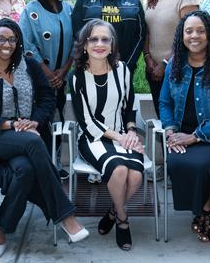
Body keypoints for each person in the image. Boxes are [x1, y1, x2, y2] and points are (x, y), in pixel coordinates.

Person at [0, 19, 88, 257]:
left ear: (18, 42)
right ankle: (65, 215)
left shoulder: (30, 66)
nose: (6, 44)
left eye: (12, 39)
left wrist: (35, 121)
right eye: (0, 38)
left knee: (25, 171)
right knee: (33, 141)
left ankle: (1, 227)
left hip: (29, 136)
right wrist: (12, 124)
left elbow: (46, 100)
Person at [159, 10, 210, 243]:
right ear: (181, 36)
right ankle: (208, 202)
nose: (195, 36)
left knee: (202, 163)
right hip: (181, 132)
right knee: (176, 161)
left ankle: (207, 207)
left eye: (201, 31)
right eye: (189, 31)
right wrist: (171, 130)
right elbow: (164, 102)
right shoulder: (174, 64)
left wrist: (195, 137)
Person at [70, 19, 144, 251]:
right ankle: (123, 220)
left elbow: (130, 105)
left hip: (123, 133)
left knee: (136, 176)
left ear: (112, 45)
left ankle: (112, 211)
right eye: (93, 39)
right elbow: (86, 121)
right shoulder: (77, 77)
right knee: (119, 169)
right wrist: (121, 138)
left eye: (105, 39)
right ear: (84, 45)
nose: (99, 44)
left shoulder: (123, 70)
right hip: (92, 138)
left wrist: (131, 131)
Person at [19, 0, 74, 134]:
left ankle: (56, 154)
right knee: (42, 119)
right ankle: (43, 155)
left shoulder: (68, 9)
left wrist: (63, 71)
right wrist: (48, 74)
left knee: (60, 119)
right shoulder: (30, 11)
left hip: (62, 77)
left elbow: (77, 41)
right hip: (39, 78)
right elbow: (27, 46)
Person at [144, 0, 199, 117]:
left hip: (178, 68)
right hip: (153, 69)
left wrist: (166, 64)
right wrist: (148, 59)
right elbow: (147, 32)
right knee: (163, 117)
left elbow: (191, 38)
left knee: (178, 119)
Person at [71, 0, 146, 72]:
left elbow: (140, 36)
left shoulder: (133, 1)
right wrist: (88, 61)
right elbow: (77, 34)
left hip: (124, 67)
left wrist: (128, 65)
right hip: (91, 67)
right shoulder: (84, 0)